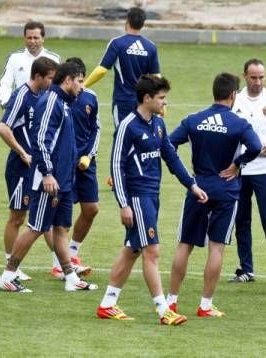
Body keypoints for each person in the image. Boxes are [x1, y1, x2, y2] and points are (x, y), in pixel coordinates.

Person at [96, 75, 207, 325]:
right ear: (147, 98)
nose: (164, 102)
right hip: (137, 197)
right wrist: (123, 204)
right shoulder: (128, 126)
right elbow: (116, 166)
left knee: (131, 250)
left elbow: (171, 156)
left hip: (152, 196)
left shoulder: (157, 123)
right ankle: (163, 310)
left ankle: (107, 304)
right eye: (161, 98)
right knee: (152, 251)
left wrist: (192, 185)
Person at [0, 61, 98, 293]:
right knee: (35, 227)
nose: (82, 87)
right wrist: (47, 173)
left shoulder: (64, 103)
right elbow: (41, 141)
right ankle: (8, 275)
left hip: (63, 179)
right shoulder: (52, 102)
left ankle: (70, 277)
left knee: (61, 228)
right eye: (80, 81)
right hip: (48, 180)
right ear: (68, 80)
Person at [166, 73, 262, 318]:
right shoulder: (239, 123)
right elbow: (256, 147)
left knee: (184, 245)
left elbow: (168, 145)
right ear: (233, 95)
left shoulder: (193, 120)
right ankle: (205, 305)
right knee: (216, 248)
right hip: (226, 190)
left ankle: (171, 301)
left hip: (198, 188)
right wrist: (238, 164)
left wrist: (186, 176)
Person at [0, 57, 59, 282]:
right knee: (18, 217)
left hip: (37, 166)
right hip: (20, 168)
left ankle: (62, 265)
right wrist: (23, 153)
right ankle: (10, 264)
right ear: (38, 77)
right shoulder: (22, 95)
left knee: (45, 216)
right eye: (51, 78)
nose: (53, 82)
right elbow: (3, 128)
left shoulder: (43, 95)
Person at [228, 58, 266, 285]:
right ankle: (246, 269)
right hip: (240, 168)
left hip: (265, 169)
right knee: (241, 220)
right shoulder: (235, 100)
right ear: (245, 76)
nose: (258, 81)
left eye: (261, 77)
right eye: (253, 77)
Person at [84, 7, 161, 127]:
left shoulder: (117, 43)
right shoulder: (151, 47)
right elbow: (157, 77)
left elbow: (101, 70)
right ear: (142, 24)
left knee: (123, 138)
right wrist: (160, 100)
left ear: (127, 21)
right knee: (143, 138)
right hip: (145, 101)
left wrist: (83, 85)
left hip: (123, 101)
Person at [65, 57, 101, 269]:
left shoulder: (90, 97)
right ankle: (61, 263)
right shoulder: (57, 97)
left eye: (81, 79)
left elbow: (96, 129)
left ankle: (72, 253)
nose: (79, 84)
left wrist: (89, 155)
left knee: (91, 208)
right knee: (62, 213)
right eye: (75, 80)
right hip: (64, 163)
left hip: (86, 161)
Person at [0, 21, 60, 108]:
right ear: (25, 38)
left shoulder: (54, 58)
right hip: (20, 108)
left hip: (45, 108)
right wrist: (5, 102)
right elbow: (5, 83)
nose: (32, 41)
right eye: (29, 38)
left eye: (36, 38)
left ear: (43, 38)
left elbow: (59, 85)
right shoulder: (14, 58)